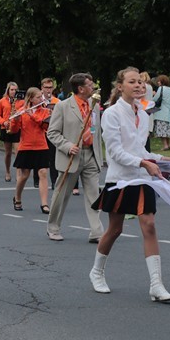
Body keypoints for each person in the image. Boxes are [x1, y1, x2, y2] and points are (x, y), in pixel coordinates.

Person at [88, 67, 170, 302]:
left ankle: (156, 285)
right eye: (132, 82)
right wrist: (144, 163)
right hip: (120, 179)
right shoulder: (112, 114)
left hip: (141, 177)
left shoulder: (144, 113)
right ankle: (96, 272)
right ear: (120, 86)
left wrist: (158, 159)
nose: (138, 86)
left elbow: (139, 149)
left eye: (140, 82)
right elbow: (115, 153)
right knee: (115, 230)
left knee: (149, 225)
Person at [46, 73, 104, 242]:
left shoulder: (94, 104)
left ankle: (96, 232)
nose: (93, 87)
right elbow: (52, 133)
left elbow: (97, 130)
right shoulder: (63, 106)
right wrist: (67, 146)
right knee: (62, 194)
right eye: (90, 84)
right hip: (71, 156)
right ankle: (53, 227)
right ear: (80, 89)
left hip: (91, 155)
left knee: (94, 194)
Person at [10, 87, 52, 213]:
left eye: (41, 96)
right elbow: (14, 131)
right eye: (38, 97)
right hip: (26, 146)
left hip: (41, 145)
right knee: (24, 175)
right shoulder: (22, 111)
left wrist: (32, 115)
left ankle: (44, 204)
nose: (41, 99)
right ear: (31, 98)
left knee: (43, 173)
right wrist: (15, 121)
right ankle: (17, 197)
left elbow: (44, 125)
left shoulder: (44, 111)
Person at [0, 82, 22, 182]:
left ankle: (18, 173)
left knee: (18, 151)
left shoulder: (21, 101)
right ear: (8, 90)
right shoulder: (2, 101)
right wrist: (3, 122)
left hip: (17, 128)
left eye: (15, 90)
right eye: (12, 90)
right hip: (6, 128)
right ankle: (7, 171)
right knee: (8, 152)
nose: (14, 92)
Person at [152, 74, 170, 151]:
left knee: (161, 130)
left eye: (159, 81)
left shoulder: (161, 88)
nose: (158, 82)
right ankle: (168, 145)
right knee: (167, 129)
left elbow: (155, 99)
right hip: (169, 112)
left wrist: (154, 94)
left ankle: (165, 146)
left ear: (162, 81)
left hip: (162, 111)